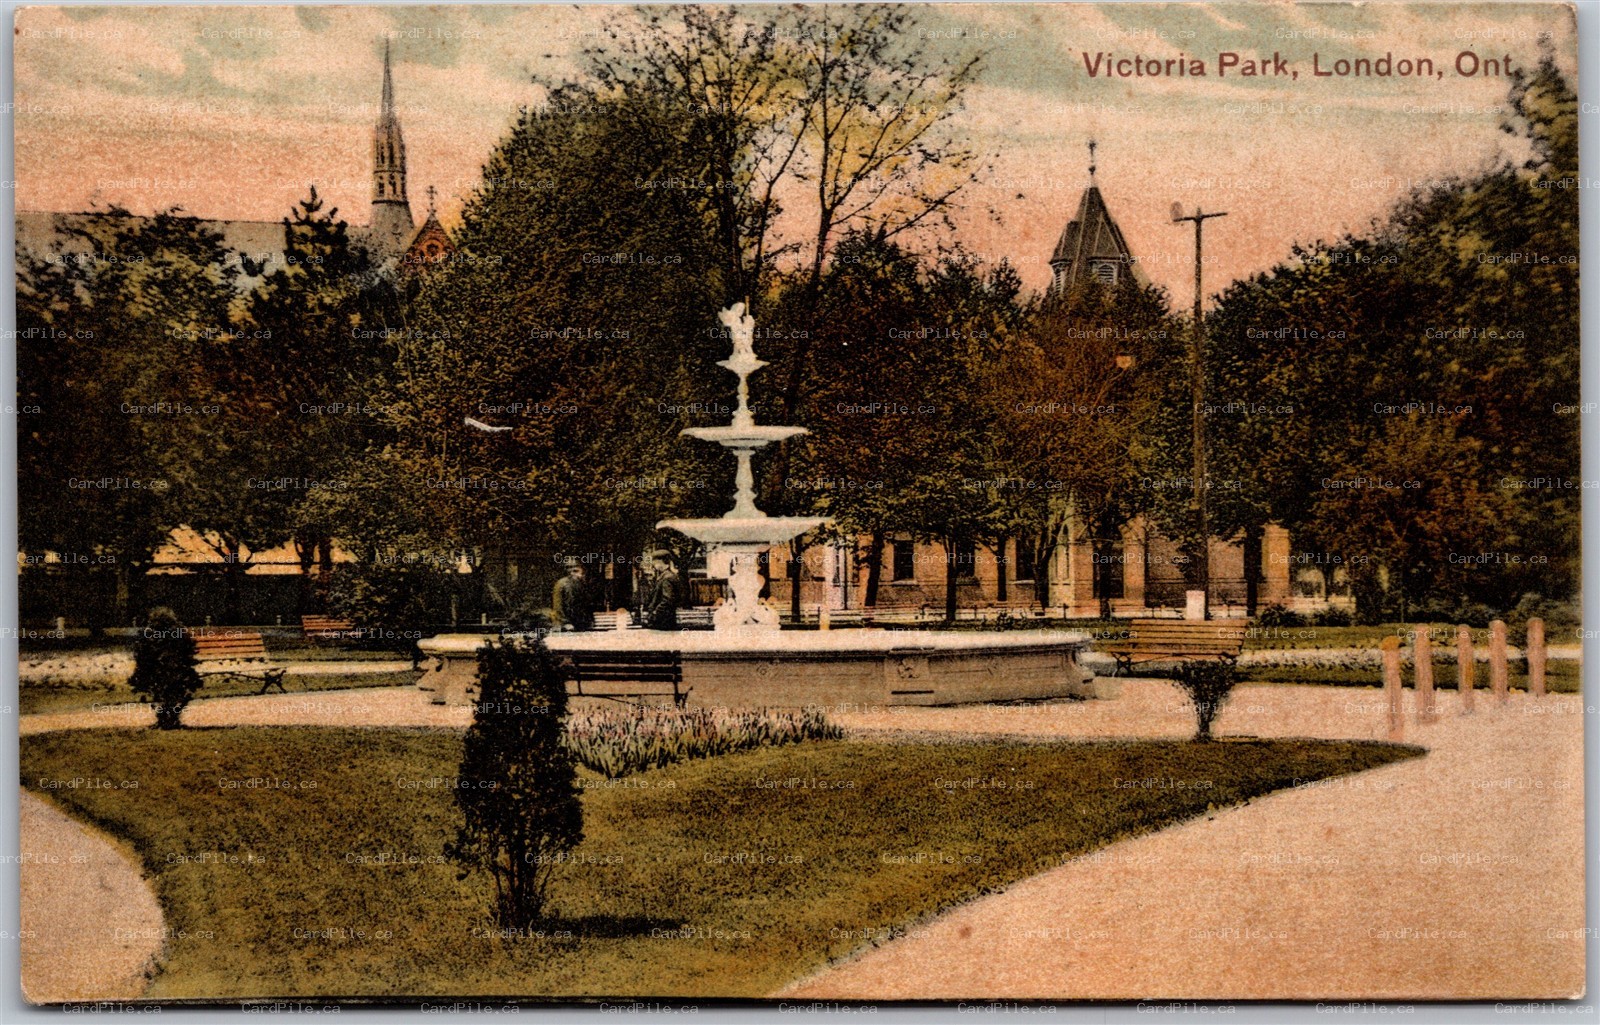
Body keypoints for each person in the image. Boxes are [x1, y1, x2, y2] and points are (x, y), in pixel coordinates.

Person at [640, 548, 685, 630]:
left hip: (663, 619)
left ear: (661, 562)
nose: (653, 564)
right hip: (665, 618)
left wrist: (655, 612)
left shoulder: (667, 578)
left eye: (654, 562)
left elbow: (667, 599)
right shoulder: (667, 576)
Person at [551, 559, 595, 632]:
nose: (574, 574)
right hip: (568, 625)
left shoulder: (581, 583)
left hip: (579, 624)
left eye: (576, 571)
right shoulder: (564, 584)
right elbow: (558, 606)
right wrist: (565, 622)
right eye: (574, 571)